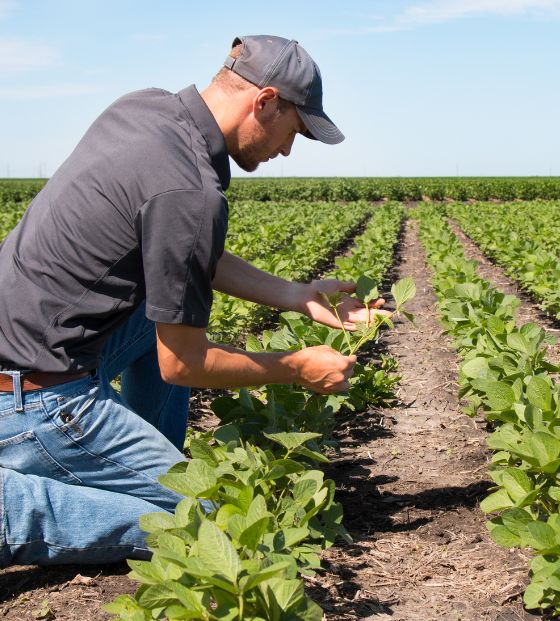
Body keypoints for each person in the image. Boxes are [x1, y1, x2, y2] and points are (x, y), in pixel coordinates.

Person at [0, 35, 382, 566]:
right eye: (294, 131)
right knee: (218, 527)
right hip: (36, 400)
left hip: (29, 354)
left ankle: (136, 464)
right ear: (265, 100)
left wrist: (299, 297)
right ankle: (19, 499)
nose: (288, 150)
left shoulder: (147, 109)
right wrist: (297, 367)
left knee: (159, 310)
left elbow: (179, 252)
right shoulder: (191, 191)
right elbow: (182, 363)